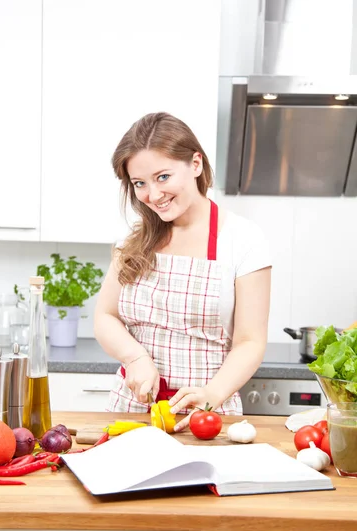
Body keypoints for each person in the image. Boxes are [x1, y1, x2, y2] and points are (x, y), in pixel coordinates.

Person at [94, 112, 271, 431]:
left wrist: (210, 395)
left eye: (163, 176)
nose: (153, 194)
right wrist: (135, 358)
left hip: (207, 415)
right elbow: (105, 316)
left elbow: (250, 341)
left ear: (195, 164)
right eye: (140, 183)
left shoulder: (243, 239)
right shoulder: (135, 240)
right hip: (133, 410)